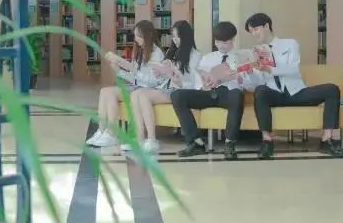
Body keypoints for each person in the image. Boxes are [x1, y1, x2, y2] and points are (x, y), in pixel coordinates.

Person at [244, 13, 343, 159]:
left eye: (256, 29)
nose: (254, 34)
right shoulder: (255, 52)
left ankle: (326, 140)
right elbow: (258, 82)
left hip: (296, 92)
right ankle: (267, 141)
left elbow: (293, 69)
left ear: (266, 26)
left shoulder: (290, 44)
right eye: (251, 31)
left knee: (332, 89)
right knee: (260, 90)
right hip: (275, 94)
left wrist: (270, 67)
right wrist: (250, 72)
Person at [172, 21, 249, 160]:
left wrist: (237, 77)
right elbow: (198, 80)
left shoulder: (240, 58)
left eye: (224, 42)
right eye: (217, 42)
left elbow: (249, 83)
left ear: (233, 40)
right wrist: (203, 84)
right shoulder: (208, 58)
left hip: (228, 94)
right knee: (177, 95)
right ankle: (196, 142)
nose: (220, 45)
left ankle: (229, 144)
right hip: (208, 93)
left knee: (237, 94)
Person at [86, 19, 166, 148]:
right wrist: (119, 71)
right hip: (136, 86)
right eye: (135, 35)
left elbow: (152, 82)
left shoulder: (157, 54)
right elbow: (134, 77)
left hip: (146, 89)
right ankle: (102, 131)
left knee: (111, 93)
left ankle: (111, 133)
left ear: (148, 35)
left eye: (139, 36)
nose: (136, 39)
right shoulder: (140, 51)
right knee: (105, 91)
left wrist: (126, 64)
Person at [128, 21, 202, 154]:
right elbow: (164, 75)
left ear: (186, 37)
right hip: (167, 86)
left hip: (180, 90)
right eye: (173, 37)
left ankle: (152, 139)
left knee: (143, 96)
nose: (175, 40)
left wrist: (176, 76)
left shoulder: (195, 55)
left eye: (178, 37)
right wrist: (160, 72)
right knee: (136, 94)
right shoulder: (172, 52)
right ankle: (139, 138)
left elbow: (194, 82)